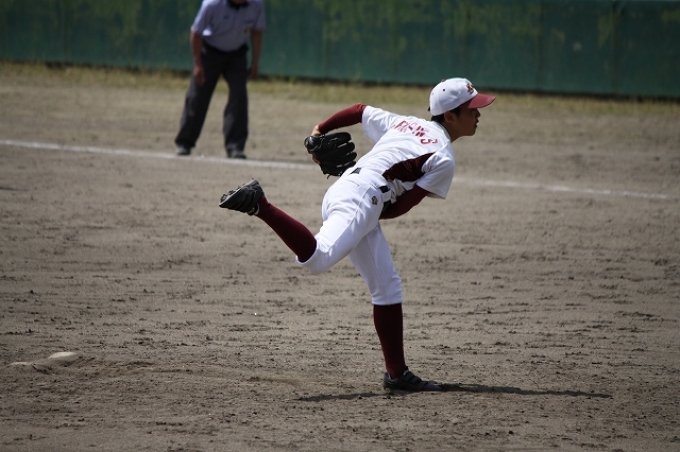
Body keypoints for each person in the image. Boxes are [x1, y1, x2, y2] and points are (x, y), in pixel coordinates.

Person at [219, 78, 495, 391]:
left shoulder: (405, 122)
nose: (478, 114)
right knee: (318, 259)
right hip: (364, 198)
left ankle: (397, 374)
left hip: (350, 188)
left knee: (387, 287)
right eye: (471, 109)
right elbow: (399, 208)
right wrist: (369, 208)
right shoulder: (442, 156)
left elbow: (359, 111)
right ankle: (260, 205)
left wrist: (320, 129)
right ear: (450, 116)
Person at [175, 0, 265, 159]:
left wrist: (255, 62)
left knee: (239, 96)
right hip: (210, 51)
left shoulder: (256, 4)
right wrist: (197, 63)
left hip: (237, 54)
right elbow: (196, 32)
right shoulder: (212, 4)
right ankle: (185, 142)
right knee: (198, 96)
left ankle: (235, 147)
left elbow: (257, 31)